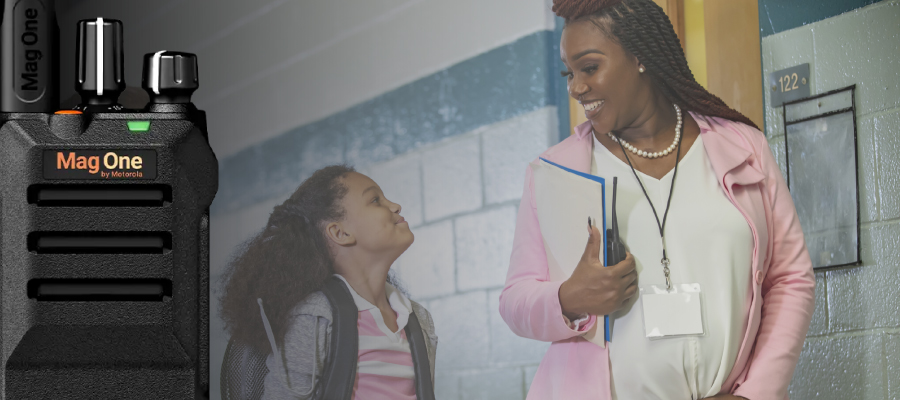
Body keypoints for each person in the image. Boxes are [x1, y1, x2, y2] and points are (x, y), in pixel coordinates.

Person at [498, 0, 815, 399]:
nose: (576, 87)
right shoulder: (555, 171)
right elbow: (515, 301)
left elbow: (790, 278)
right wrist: (570, 298)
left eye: (590, 68)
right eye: (569, 72)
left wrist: (756, 394)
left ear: (640, 57)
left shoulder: (743, 147)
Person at [218, 165, 437, 399]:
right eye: (375, 200)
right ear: (340, 233)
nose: (395, 206)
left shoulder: (418, 319)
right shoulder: (314, 317)